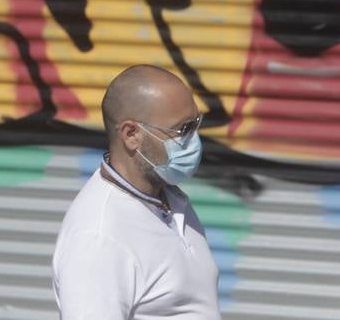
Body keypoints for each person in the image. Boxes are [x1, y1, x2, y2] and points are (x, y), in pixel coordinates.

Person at [51, 65, 220, 319]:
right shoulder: (99, 237)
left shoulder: (169, 200)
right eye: (182, 130)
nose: (194, 141)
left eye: (195, 125)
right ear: (131, 135)